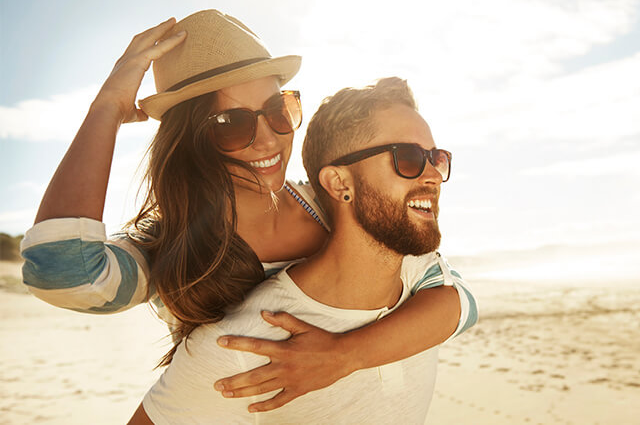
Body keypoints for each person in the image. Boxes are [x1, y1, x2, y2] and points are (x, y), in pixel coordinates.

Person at [20, 9, 477, 413]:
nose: (268, 140)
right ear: (191, 138)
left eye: (278, 110)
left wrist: (343, 356)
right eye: (231, 123)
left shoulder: (331, 203)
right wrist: (107, 109)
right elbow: (63, 274)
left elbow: (456, 298)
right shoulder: (174, 248)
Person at [129, 77, 472, 424]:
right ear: (339, 183)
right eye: (408, 158)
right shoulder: (244, 346)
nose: (432, 175)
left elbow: (461, 304)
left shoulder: (418, 276)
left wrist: (345, 355)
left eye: (436, 158)